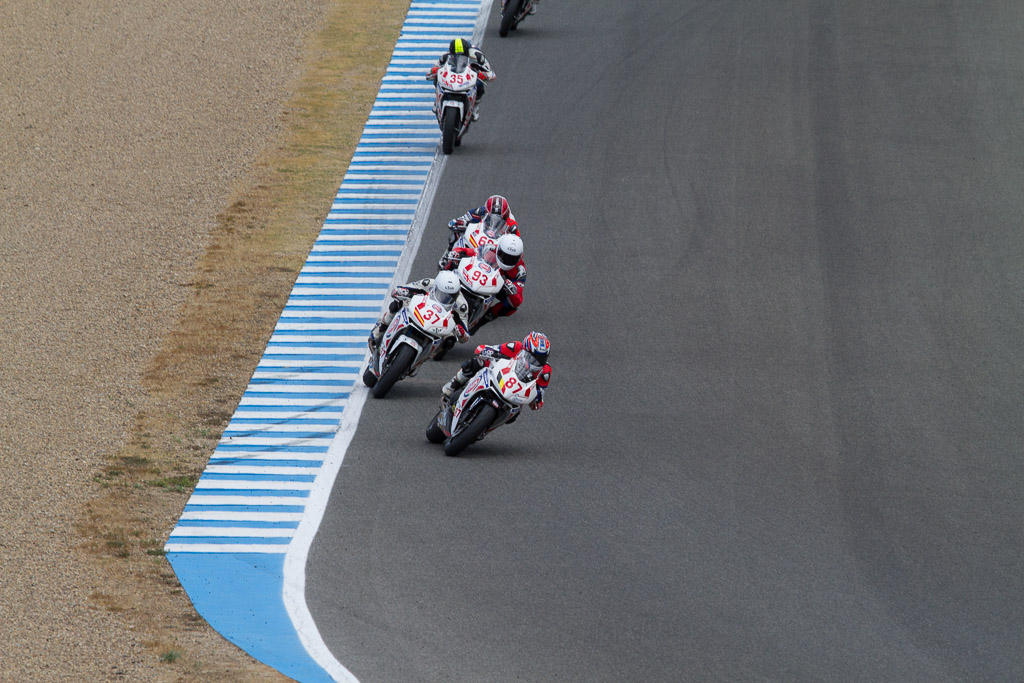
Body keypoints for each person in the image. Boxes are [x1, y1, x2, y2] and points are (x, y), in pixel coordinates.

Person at [440, 331, 551, 410]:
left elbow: (537, 404)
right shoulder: (515, 347)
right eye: (532, 356)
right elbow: (492, 349)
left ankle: (483, 429)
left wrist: (537, 397)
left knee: (515, 413)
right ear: (524, 349)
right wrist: (487, 351)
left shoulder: (545, 372)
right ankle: (452, 386)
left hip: (514, 394)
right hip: (500, 374)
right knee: (476, 363)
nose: (536, 361)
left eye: (541, 359)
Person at [440, 233, 525, 333]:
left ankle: (486, 317)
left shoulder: (520, 271)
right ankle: (439, 288)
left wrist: (512, 290)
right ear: (499, 249)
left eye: (511, 259)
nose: (506, 260)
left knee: (511, 306)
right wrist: (456, 253)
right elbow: (469, 251)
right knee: (452, 264)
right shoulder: (490, 248)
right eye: (503, 255)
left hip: (499, 286)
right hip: (482, 277)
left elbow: (518, 299)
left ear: (519, 258)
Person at [368, 271, 469, 351]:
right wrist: (402, 291)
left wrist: (461, 333)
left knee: (450, 341)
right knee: (397, 304)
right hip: (421, 308)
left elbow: (465, 336)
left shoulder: (461, 304)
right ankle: (381, 328)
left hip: (440, 322)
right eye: (442, 294)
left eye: (451, 297)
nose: (446, 298)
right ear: (436, 287)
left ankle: (427, 356)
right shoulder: (429, 283)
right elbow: (408, 288)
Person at [427, 38, 495, 121]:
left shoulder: (477, 56)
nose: (457, 57)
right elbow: (431, 71)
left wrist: (484, 75)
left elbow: (491, 73)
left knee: (479, 84)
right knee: (437, 76)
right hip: (453, 76)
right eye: (454, 55)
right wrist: (434, 71)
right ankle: (437, 100)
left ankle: (475, 108)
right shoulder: (445, 57)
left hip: (469, 77)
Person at [446, 194, 520, 248]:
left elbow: (516, 245)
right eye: (491, 218)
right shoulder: (480, 211)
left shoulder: (512, 224)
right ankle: (447, 256)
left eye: (500, 220)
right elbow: (453, 222)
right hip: (479, 238)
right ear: (486, 212)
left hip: (494, 248)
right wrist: (462, 223)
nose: (495, 222)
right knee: (456, 235)